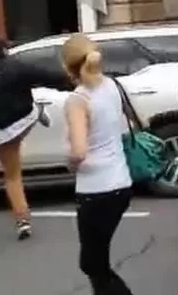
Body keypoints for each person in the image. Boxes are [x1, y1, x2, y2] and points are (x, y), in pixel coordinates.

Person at [0, 36, 72, 240]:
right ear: (5, 51)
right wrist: (70, 81)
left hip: (2, 129)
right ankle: (38, 110)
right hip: (24, 116)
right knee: (13, 172)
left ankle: (22, 221)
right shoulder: (17, 67)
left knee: (12, 177)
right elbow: (48, 76)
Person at [62, 34, 134, 295]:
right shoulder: (112, 85)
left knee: (93, 263)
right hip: (120, 182)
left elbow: (79, 151)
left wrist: (69, 161)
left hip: (95, 190)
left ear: (67, 66)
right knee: (95, 262)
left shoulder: (78, 100)